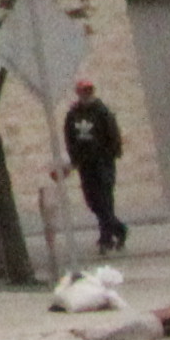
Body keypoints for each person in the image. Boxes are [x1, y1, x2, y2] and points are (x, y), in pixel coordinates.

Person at [61, 78, 130, 259]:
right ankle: (119, 229)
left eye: (89, 90)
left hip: (103, 163)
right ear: (78, 93)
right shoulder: (73, 114)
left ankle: (106, 239)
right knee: (92, 201)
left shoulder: (102, 112)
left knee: (105, 200)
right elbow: (70, 138)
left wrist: (110, 155)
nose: (86, 94)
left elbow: (113, 135)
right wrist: (73, 160)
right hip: (85, 164)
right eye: (83, 91)